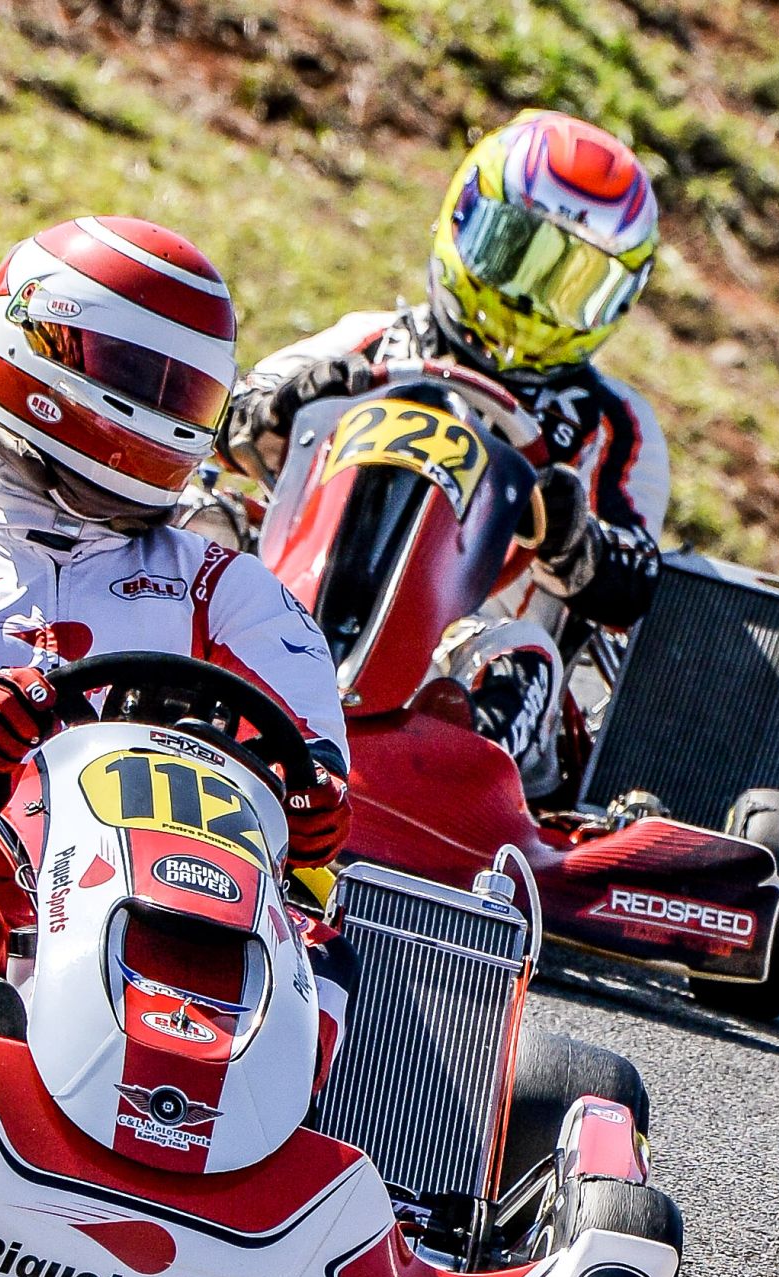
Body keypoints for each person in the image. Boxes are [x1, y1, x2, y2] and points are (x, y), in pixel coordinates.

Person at [0, 215, 352, 1057]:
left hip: (170, 924)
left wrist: (305, 795)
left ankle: (264, 1126)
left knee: (320, 952)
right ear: (35, 353)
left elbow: (311, 747)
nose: (163, 412)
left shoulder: (227, 591)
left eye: (185, 391)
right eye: (140, 375)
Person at [224, 110, 666, 797]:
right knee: (200, 522)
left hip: (456, 657)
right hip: (288, 606)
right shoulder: (373, 341)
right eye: (514, 251)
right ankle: (118, 697)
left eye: (570, 283)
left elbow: (638, 587)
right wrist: (284, 408)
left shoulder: (611, 426)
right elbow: (212, 426)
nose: (530, 300)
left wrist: (569, 535)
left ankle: (439, 810)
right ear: (463, 219)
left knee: (527, 656)